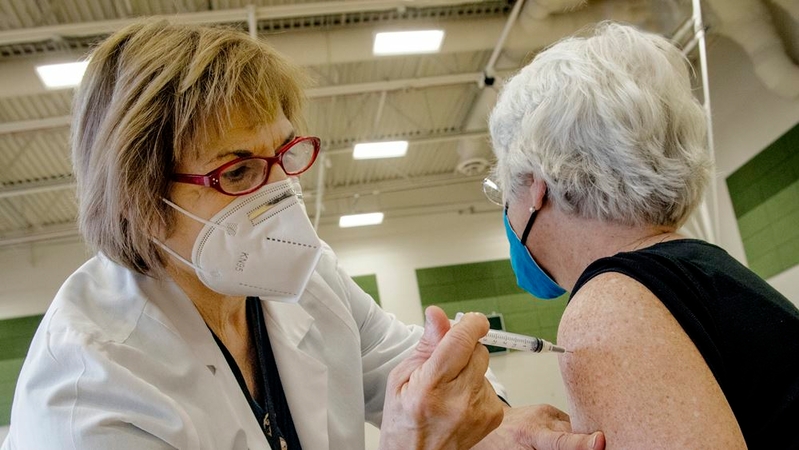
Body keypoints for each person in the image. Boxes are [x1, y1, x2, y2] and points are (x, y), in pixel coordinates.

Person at [1, 20, 604, 450]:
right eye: (237, 171)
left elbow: (399, 363)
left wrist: (500, 424)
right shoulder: (90, 398)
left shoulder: (298, 277)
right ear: (139, 198)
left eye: (285, 154)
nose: (278, 197)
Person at [486, 21, 799, 449]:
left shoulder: (611, 306)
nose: (507, 210)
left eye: (504, 191)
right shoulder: (705, 270)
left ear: (538, 185)